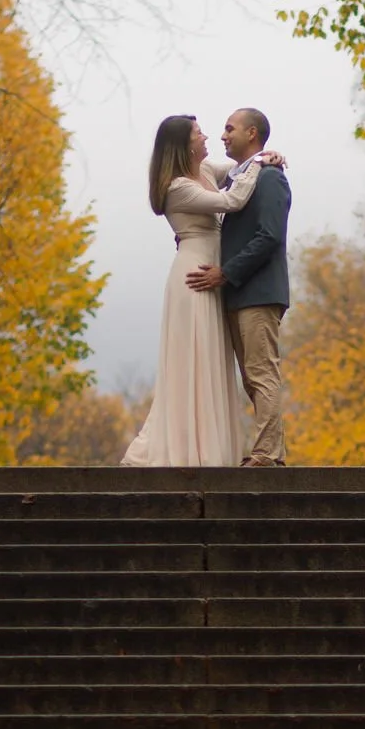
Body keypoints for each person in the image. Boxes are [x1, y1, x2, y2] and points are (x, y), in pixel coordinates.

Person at [121, 114, 283, 468]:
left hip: (215, 274)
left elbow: (237, 171)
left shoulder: (206, 170)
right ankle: (183, 449)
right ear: (184, 144)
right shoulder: (177, 187)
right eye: (199, 133)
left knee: (209, 361)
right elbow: (233, 200)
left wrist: (265, 157)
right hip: (195, 274)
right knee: (192, 361)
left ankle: (207, 445)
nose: (207, 136)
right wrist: (260, 161)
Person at [183, 104, 292, 467]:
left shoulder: (270, 178)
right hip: (240, 294)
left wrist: (226, 273)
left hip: (258, 292)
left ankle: (267, 455)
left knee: (261, 374)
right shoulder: (238, 176)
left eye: (230, 128)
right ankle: (270, 452)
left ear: (252, 133)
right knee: (252, 378)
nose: (223, 135)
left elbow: (269, 236)